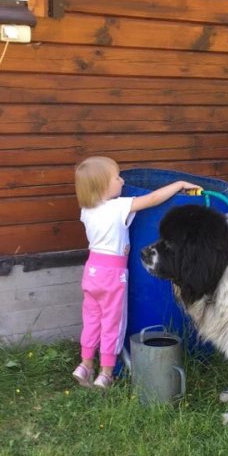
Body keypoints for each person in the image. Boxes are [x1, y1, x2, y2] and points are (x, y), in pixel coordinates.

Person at [72, 156, 199, 389]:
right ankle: (106, 373)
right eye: (117, 177)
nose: (122, 180)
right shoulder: (118, 206)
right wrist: (179, 184)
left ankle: (85, 364)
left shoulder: (86, 210)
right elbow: (152, 199)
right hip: (112, 275)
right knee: (113, 323)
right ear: (103, 187)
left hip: (91, 272)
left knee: (92, 320)